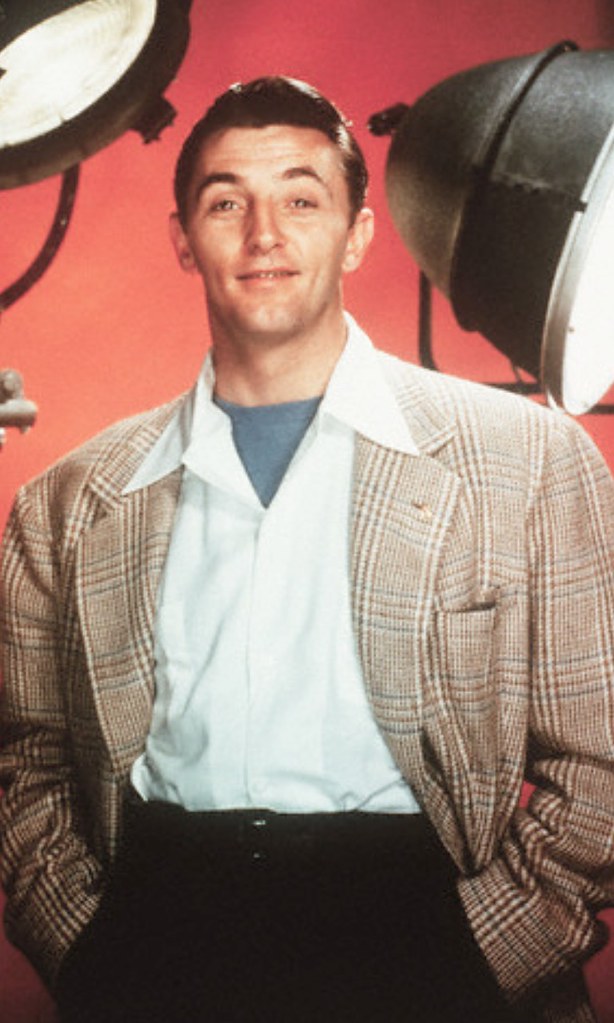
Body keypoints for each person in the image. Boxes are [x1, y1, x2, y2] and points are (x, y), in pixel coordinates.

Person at [1, 76, 613, 1023]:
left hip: (431, 941)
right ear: (182, 239)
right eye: (225, 204)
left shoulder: (529, 460)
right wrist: (87, 949)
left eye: (300, 199)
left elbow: (603, 764)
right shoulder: (67, 500)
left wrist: (487, 955)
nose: (264, 235)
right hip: (160, 943)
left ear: (357, 234)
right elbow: (24, 759)